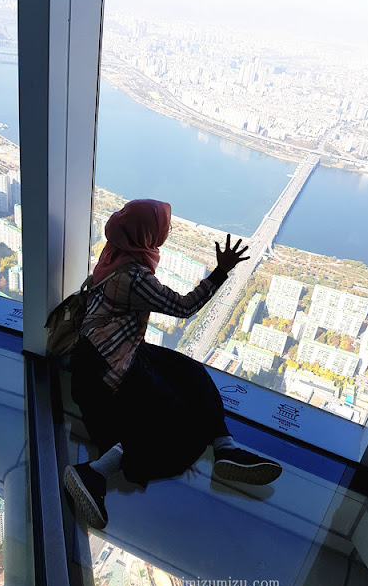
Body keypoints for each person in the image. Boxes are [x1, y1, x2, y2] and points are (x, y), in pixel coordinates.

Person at [64, 199, 282, 529]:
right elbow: (182, 307)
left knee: (191, 372)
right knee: (178, 422)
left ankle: (225, 447)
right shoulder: (135, 277)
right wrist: (221, 271)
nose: (167, 230)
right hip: (106, 367)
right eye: (163, 225)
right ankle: (94, 473)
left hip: (102, 354)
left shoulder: (115, 253)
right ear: (145, 233)